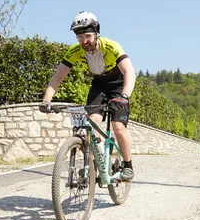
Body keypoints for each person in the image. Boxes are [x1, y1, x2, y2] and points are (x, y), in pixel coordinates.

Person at [41, 11, 136, 181]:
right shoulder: (75, 51)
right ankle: (93, 165)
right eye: (79, 38)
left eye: (87, 36)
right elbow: (58, 77)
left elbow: (129, 71)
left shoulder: (111, 46)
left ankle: (128, 165)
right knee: (91, 124)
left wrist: (125, 96)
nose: (84, 41)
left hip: (118, 85)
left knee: (118, 127)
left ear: (96, 33)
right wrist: (47, 100)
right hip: (99, 84)